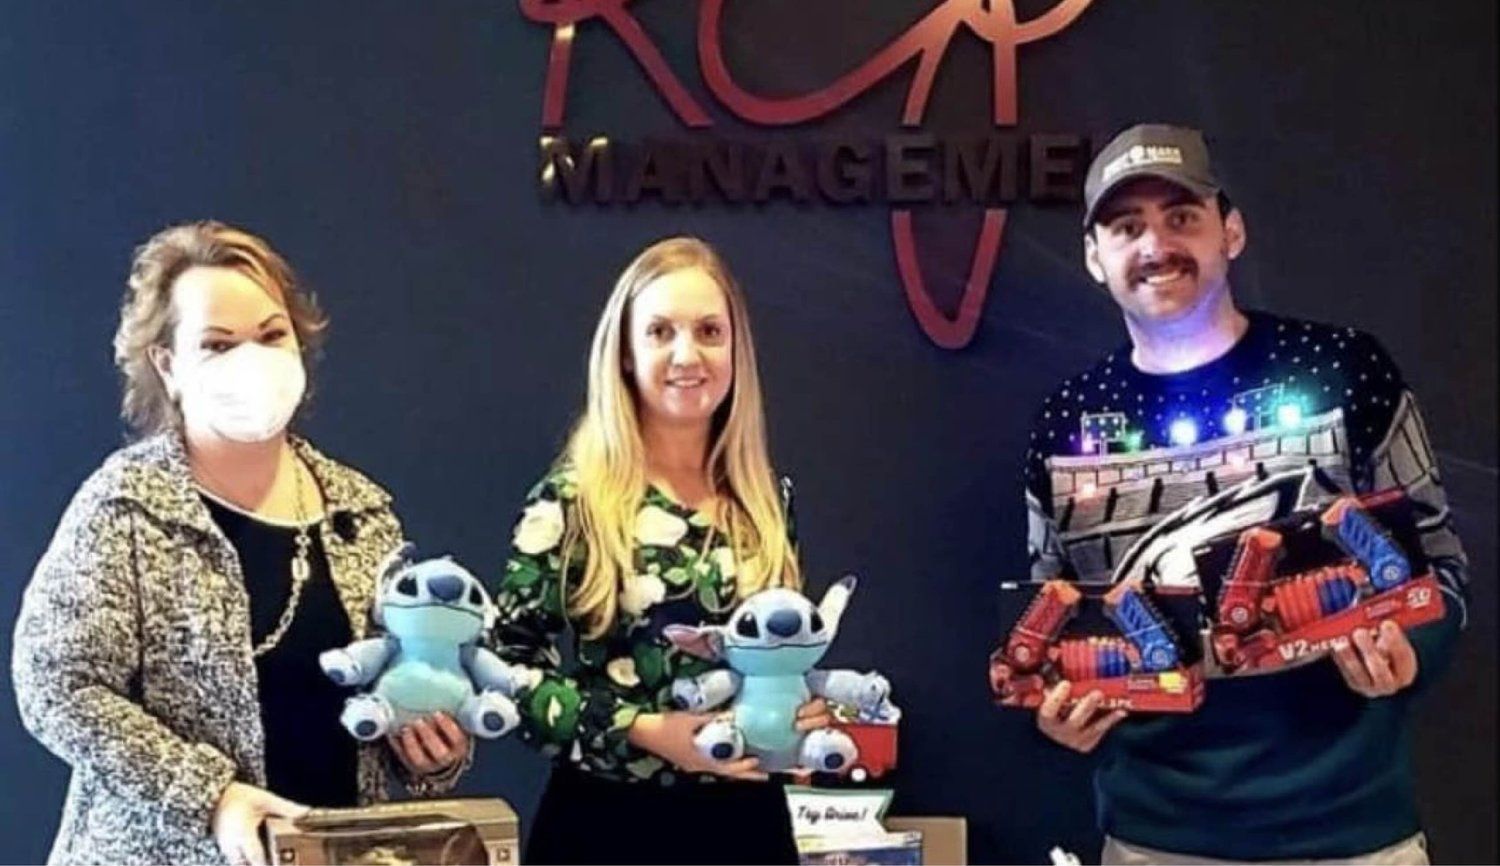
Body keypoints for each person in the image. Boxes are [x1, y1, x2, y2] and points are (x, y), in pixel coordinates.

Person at [1018, 125, 1469, 865]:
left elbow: (1443, 566)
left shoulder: (1345, 369)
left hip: (1355, 834)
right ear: (1095, 259)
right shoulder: (1065, 420)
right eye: (1126, 227)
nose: (1156, 245)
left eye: (1181, 217)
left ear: (1231, 230)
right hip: (1154, 838)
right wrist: (1052, 707)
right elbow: (1049, 608)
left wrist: (1412, 650)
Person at [12, 221, 470, 866]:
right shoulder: (124, 507)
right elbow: (56, 688)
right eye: (218, 344)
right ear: (168, 364)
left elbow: (390, 695)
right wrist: (212, 796)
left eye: (271, 334)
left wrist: (431, 754)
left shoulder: (360, 510)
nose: (251, 359)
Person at [492, 236, 828, 865]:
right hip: (606, 828)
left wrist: (797, 711)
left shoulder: (764, 498)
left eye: (709, 331)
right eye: (659, 332)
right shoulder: (570, 500)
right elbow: (505, 674)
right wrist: (645, 731)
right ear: (623, 353)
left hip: (746, 830)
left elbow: (777, 659)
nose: (687, 354)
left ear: (736, 350)